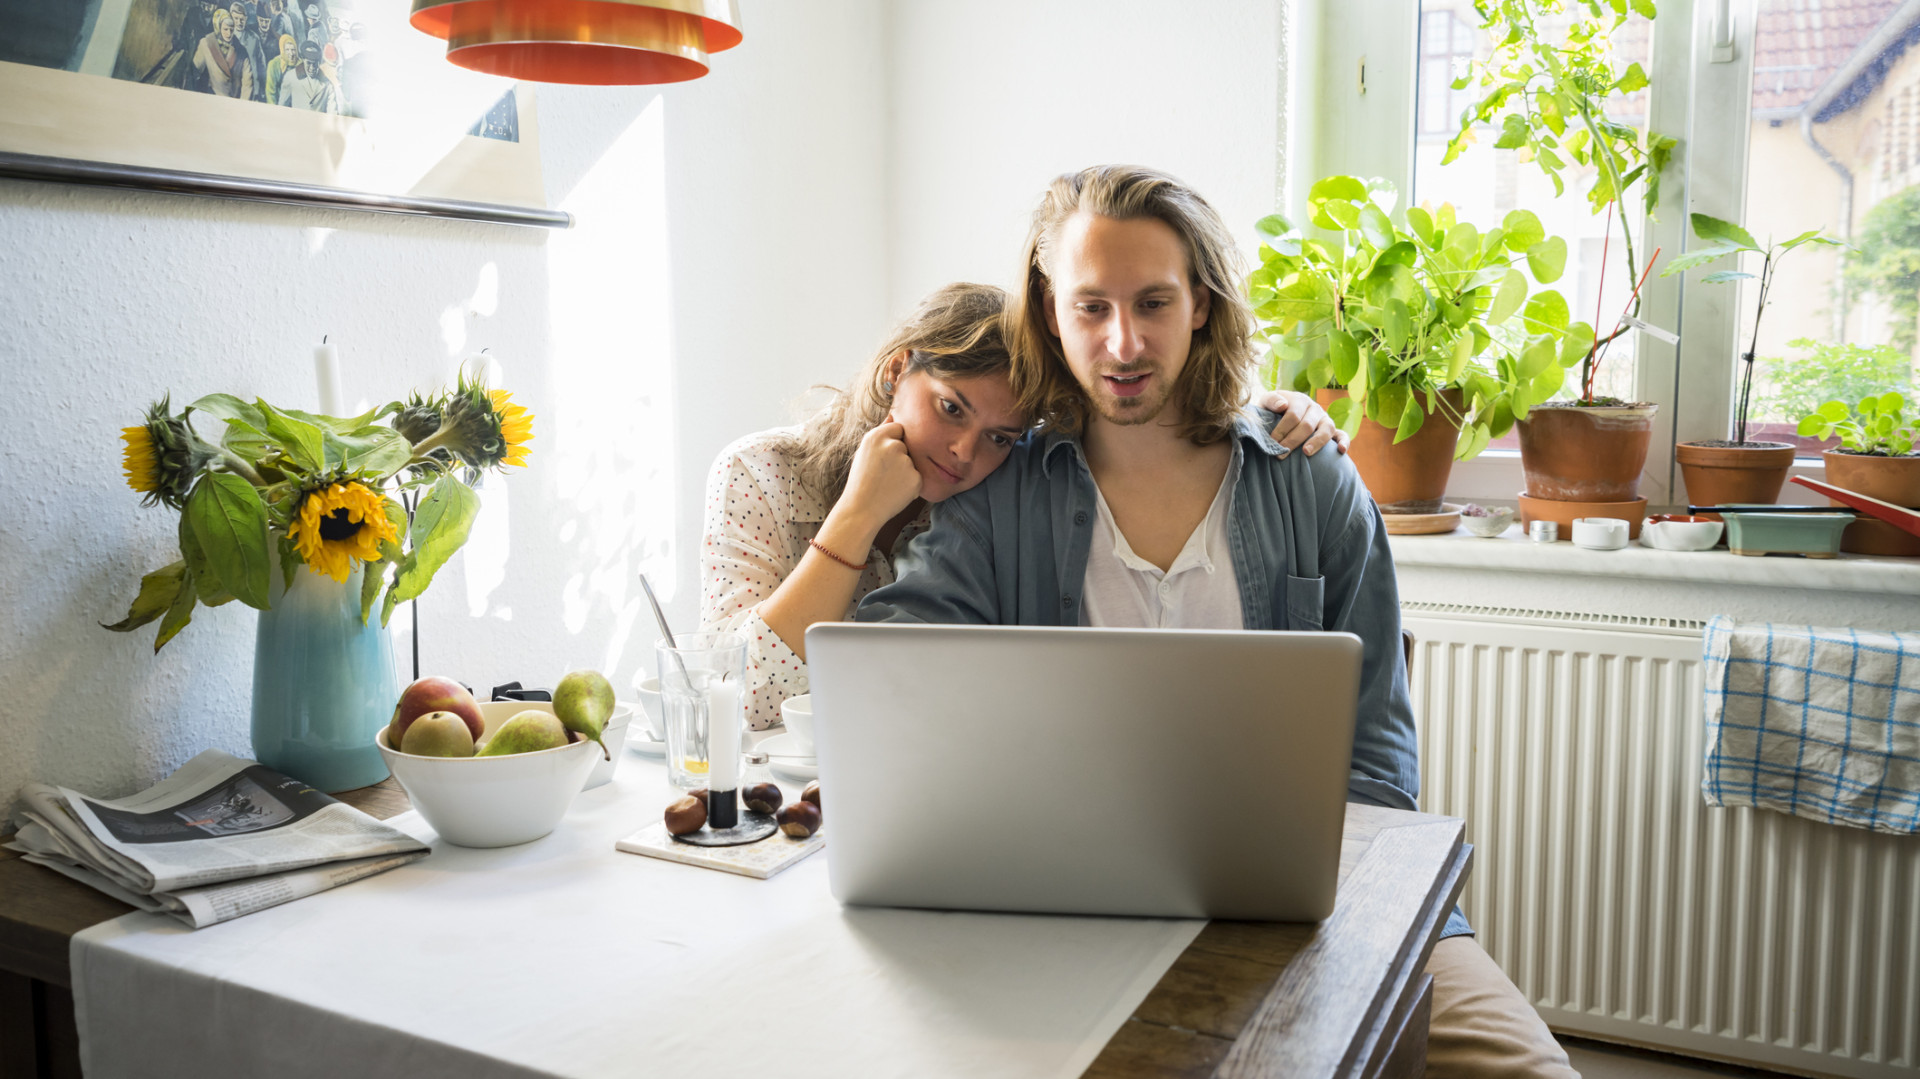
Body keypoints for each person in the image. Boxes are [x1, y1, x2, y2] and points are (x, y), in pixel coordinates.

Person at [856, 166, 1578, 1079]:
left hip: (1323, 900)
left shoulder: (1309, 475)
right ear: (1048, 312)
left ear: (1200, 302)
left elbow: (1381, 757)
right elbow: (890, 679)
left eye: (1153, 301)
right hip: (1067, 909)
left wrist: (1312, 894)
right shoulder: (1002, 491)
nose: (1124, 342)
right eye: (1091, 308)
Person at [698, 282, 1344, 730]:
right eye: (950, 408)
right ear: (897, 372)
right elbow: (739, 697)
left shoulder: (998, 501)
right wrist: (856, 518)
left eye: (1000, 437)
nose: (962, 452)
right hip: (767, 794)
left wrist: (1265, 408)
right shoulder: (762, 474)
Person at [192, 9, 253, 100]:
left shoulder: (241, 50)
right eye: (225, 29)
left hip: (234, 100)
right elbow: (194, 71)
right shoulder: (206, 43)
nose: (229, 34)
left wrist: (242, 105)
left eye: (231, 30)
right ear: (218, 27)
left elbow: (247, 84)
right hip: (212, 97)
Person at [278, 40, 339, 112]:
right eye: (309, 63)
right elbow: (281, 107)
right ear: (303, 60)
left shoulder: (328, 84)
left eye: (315, 64)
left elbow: (332, 113)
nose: (312, 68)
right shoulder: (290, 77)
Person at [264, 32, 295, 106]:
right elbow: (270, 92)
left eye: (293, 50)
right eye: (287, 50)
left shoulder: (300, 64)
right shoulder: (274, 65)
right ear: (282, 50)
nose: (291, 53)